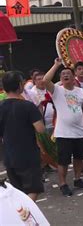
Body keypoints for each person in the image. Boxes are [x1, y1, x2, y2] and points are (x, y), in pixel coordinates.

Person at [43, 58, 83, 196]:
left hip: (80, 131)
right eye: (63, 74)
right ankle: (63, 183)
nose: (65, 75)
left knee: (79, 158)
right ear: (60, 78)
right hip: (63, 133)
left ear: (73, 76)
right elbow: (45, 80)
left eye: (68, 73)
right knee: (63, 161)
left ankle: (77, 179)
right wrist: (56, 64)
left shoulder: (79, 91)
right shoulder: (57, 90)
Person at [0, 71, 46, 201]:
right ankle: (23, 219)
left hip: (9, 156)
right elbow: (41, 129)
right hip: (28, 155)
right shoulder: (27, 106)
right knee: (33, 190)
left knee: (18, 193)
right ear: (20, 86)